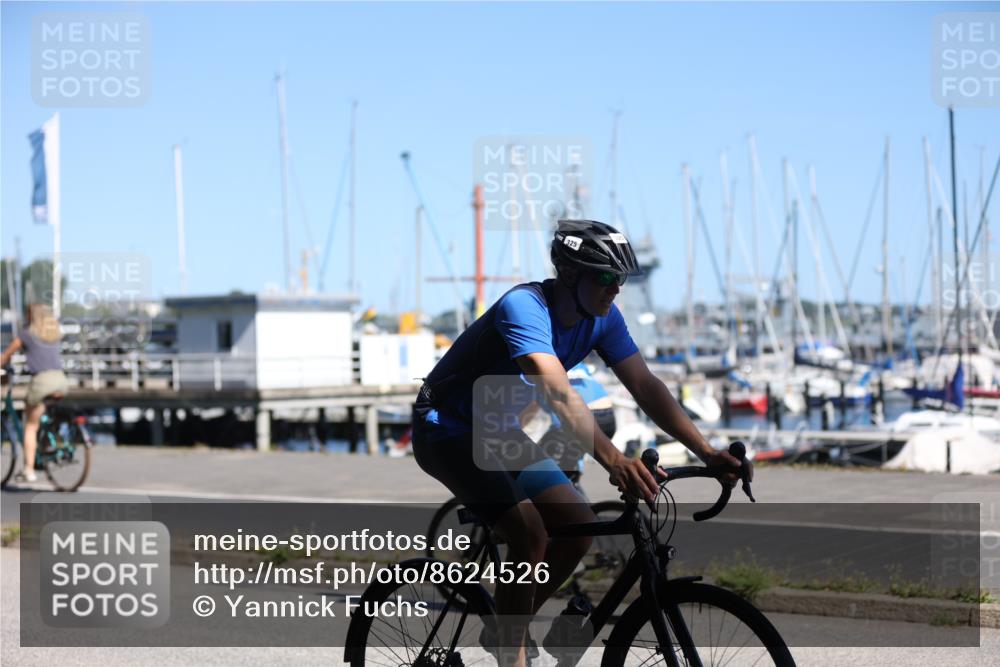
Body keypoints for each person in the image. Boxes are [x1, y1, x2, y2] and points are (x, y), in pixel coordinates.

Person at [411, 220, 748, 666]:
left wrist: (706, 452)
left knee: (577, 526)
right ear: (570, 274)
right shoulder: (524, 307)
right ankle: (511, 652)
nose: (615, 290)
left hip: (496, 432)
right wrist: (613, 460)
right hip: (446, 429)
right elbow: (556, 390)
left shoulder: (603, 319)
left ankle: (503, 630)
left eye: (621, 280)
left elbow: (645, 386)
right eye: (606, 278)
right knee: (529, 532)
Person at [0, 303, 70, 483]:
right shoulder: (54, 334)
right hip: (61, 380)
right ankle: (48, 444)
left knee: (30, 424)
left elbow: (6, 355)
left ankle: (29, 469)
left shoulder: (27, 334)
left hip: (42, 381)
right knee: (42, 416)